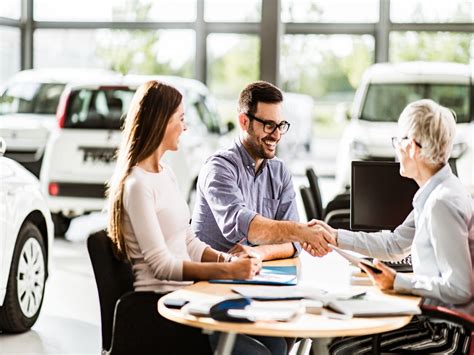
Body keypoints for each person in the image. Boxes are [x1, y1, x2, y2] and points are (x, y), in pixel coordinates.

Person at [107, 80, 291, 355]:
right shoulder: (136, 185)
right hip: (159, 310)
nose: (185, 127)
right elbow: (162, 265)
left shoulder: (165, 174)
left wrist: (229, 260)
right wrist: (227, 271)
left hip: (188, 297)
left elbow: (188, 241)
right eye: (180, 119)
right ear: (160, 122)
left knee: (277, 341)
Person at [304, 99, 473, 354]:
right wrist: (335, 236)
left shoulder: (441, 203)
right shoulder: (436, 192)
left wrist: (399, 282)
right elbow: (395, 244)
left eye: (398, 141)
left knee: (345, 350)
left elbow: (461, 289)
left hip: (447, 334)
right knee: (341, 343)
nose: (396, 149)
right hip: (434, 320)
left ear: (413, 146)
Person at [192, 81, 335, 261]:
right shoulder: (218, 168)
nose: (276, 135)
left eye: (280, 125)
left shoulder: (279, 171)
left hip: (256, 272)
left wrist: (259, 253)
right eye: (268, 125)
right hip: (210, 278)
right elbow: (245, 227)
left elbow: (294, 243)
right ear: (244, 122)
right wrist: (301, 231)